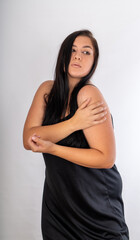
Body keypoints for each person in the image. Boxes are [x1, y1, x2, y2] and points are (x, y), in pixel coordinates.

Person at [23, 30, 129, 240]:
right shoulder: (47, 91)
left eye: (86, 52)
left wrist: (53, 147)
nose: (78, 56)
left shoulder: (89, 94)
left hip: (95, 203)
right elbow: (29, 138)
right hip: (59, 204)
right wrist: (74, 123)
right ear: (63, 56)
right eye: (72, 50)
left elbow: (106, 158)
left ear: (94, 62)